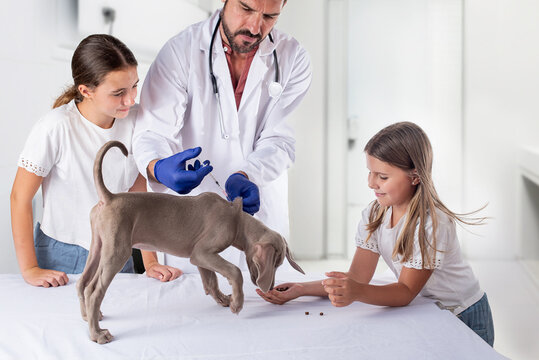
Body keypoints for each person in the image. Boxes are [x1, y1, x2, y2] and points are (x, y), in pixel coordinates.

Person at [257, 122, 495, 346]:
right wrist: (301, 290)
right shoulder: (376, 213)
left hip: (463, 315)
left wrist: (356, 292)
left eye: (382, 176)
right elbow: (358, 277)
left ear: (414, 177)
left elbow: (405, 292)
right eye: (370, 172)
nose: (371, 183)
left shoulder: (431, 224)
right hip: (430, 309)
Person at [133, 0, 312, 276]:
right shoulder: (181, 52)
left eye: (270, 16)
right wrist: (158, 167)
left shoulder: (293, 58)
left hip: (259, 212)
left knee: (265, 302)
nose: (255, 27)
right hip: (192, 220)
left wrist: (248, 174)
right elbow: (153, 132)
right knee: (192, 304)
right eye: (247, 9)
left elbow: (280, 139)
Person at [10, 34, 180, 287]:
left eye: (134, 85)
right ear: (86, 91)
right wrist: (31, 268)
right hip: (61, 253)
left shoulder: (136, 121)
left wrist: (150, 262)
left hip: (118, 247)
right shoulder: (56, 127)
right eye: (118, 92)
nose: (131, 99)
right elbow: (19, 198)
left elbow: (137, 197)